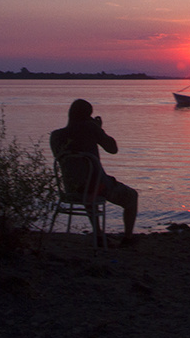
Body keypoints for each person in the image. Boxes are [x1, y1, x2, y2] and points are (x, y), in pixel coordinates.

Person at [49, 99, 138, 246]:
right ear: (88, 116)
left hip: (71, 188)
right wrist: (98, 129)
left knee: (87, 186)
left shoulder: (56, 136)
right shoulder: (91, 129)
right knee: (132, 197)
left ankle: (98, 233)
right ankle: (128, 238)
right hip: (96, 188)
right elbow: (113, 149)